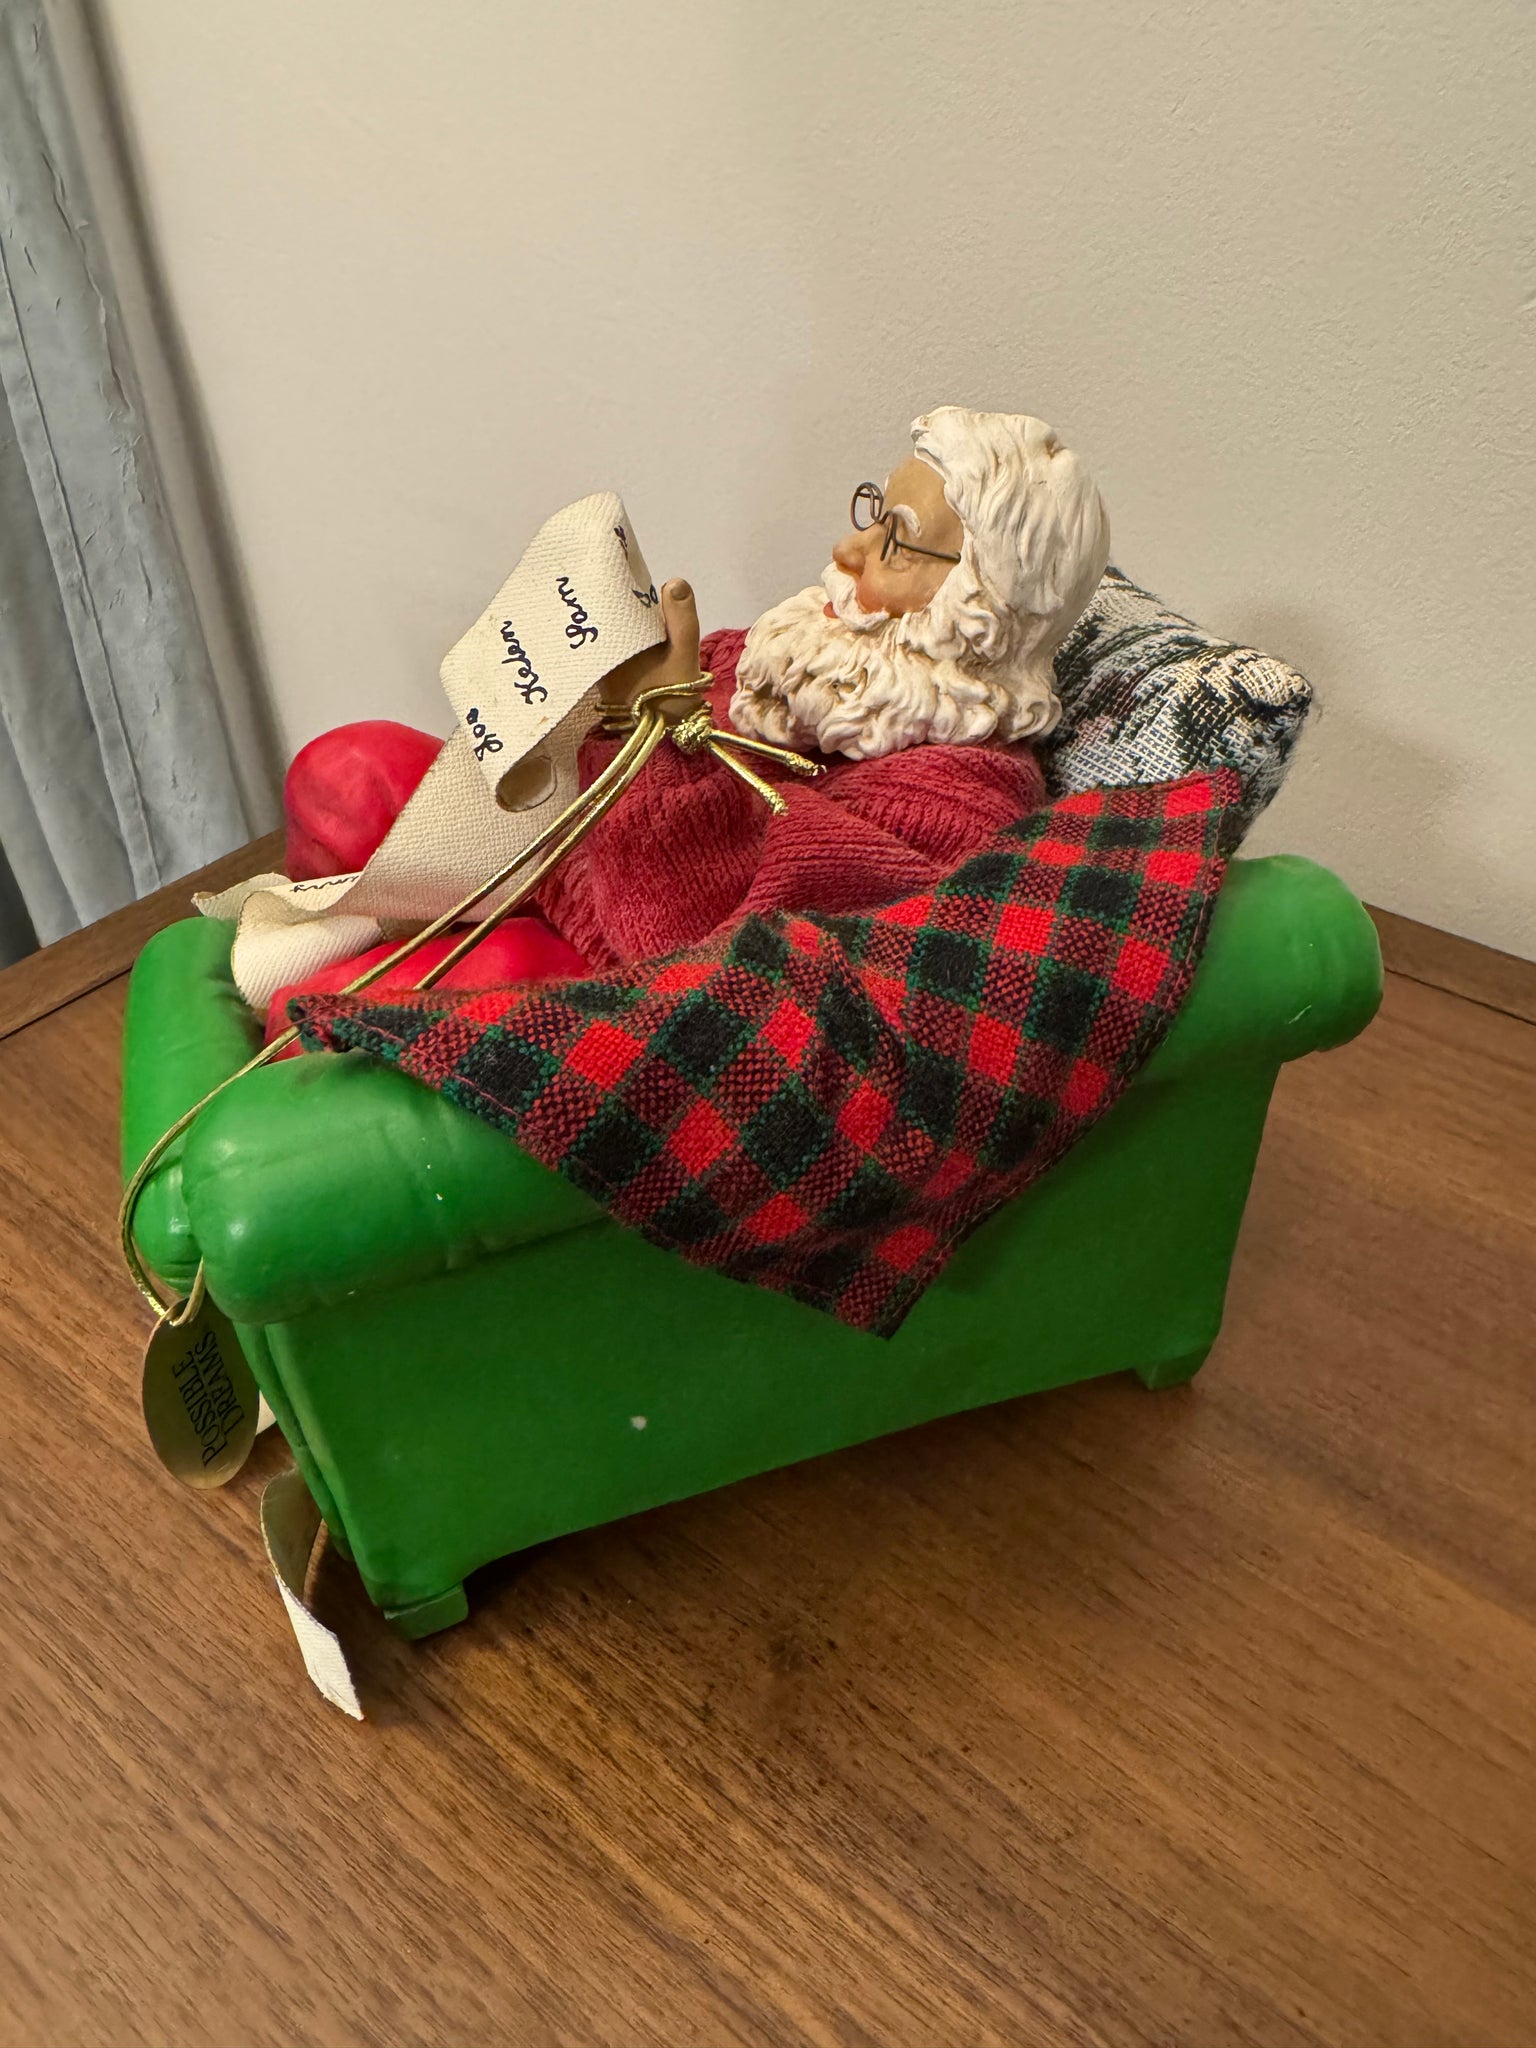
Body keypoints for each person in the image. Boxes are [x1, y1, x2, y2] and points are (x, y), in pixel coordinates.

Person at [274, 406, 1109, 1024]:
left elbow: (707, 961)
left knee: (319, 1009)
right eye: (872, 513)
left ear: (982, 602)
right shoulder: (814, 652)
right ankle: (348, 919)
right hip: (558, 847)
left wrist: (667, 738)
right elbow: (642, 718)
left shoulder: (958, 801)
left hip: (618, 965)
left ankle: (336, 960)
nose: (847, 550)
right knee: (342, 770)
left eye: (895, 538)